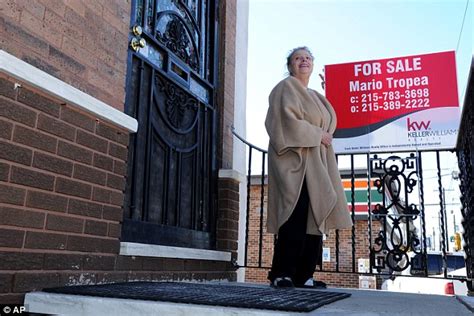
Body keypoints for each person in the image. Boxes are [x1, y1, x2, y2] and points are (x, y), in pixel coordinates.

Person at [265, 46, 353, 288]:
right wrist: (317, 135)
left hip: (318, 162)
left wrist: (322, 137)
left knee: (315, 217)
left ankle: (305, 275)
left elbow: (329, 126)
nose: (303, 61)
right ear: (290, 65)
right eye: (297, 58)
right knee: (295, 213)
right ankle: (282, 272)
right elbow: (283, 122)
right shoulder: (285, 88)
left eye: (307, 58)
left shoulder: (316, 95)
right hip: (295, 161)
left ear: (312, 64)